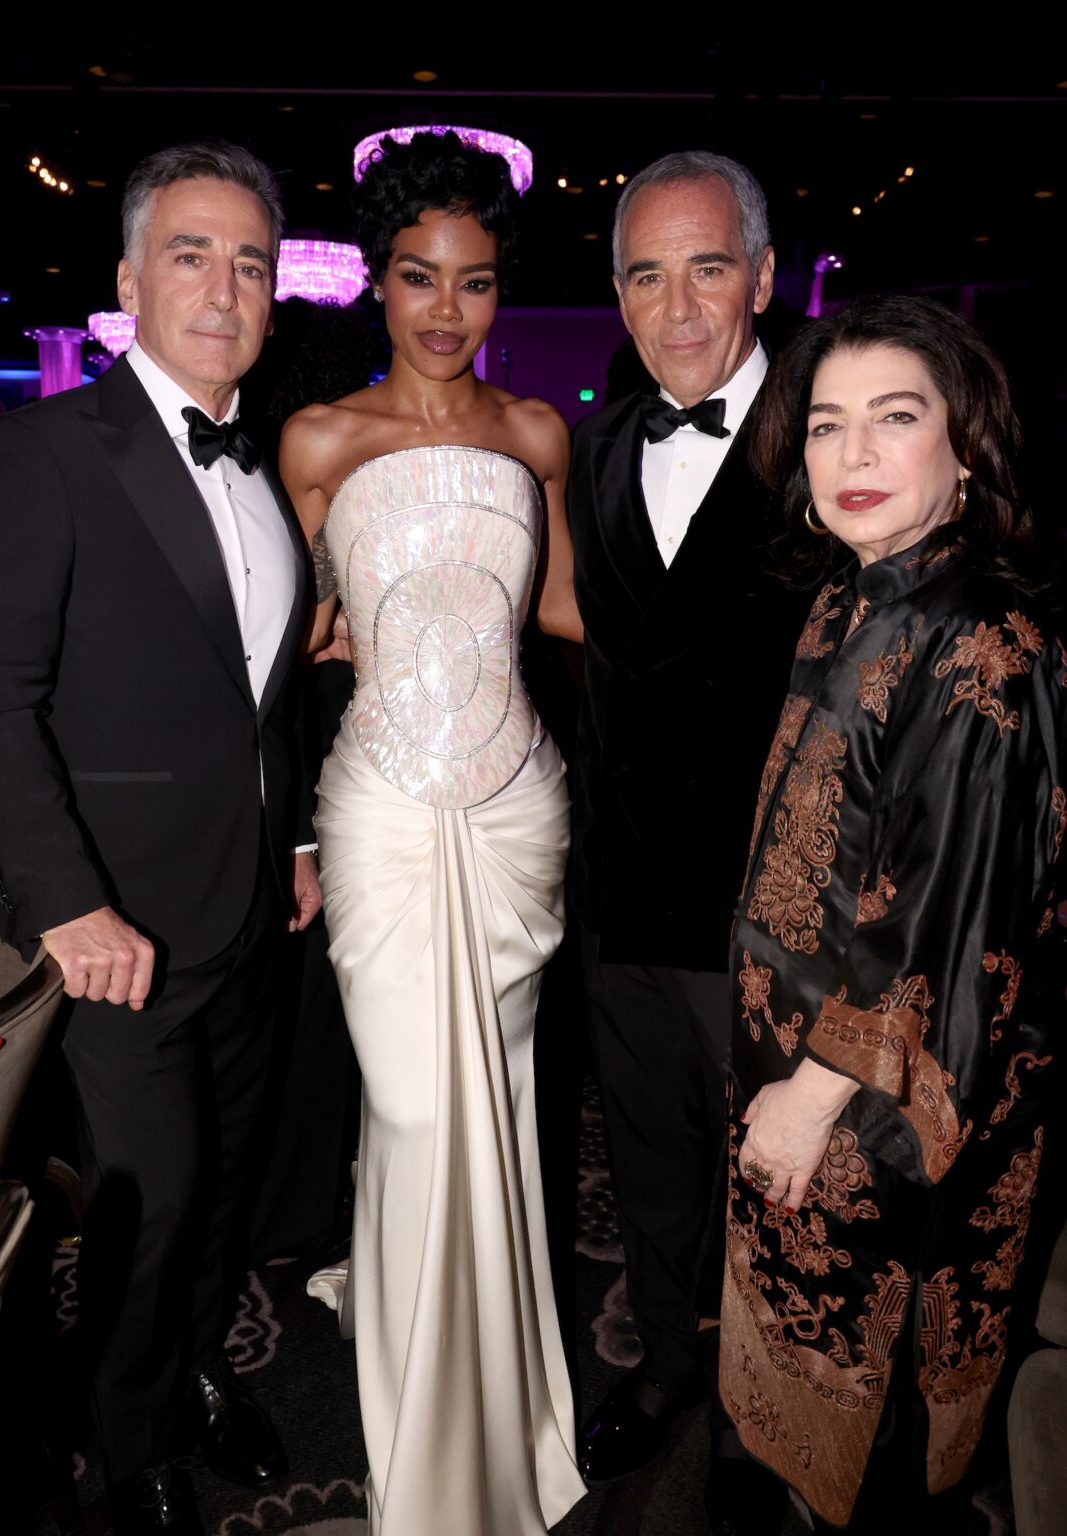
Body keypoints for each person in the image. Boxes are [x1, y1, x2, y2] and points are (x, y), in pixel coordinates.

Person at [0, 141, 321, 1536]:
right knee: (152, 1200)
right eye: (191, 252)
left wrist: (289, 839)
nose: (223, 285)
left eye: (248, 260)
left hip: (243, 909)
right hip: (113, 925)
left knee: (224, 1187)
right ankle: (127, 1447)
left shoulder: (267, 461)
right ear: (127, 280)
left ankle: (181, 1382)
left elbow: (261, 695)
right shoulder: (42, 452)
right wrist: (66, 906)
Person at [280, 130, 587, 1536]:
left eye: (471, 283)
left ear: (496, 290)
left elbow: (571, 616)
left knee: (501, 1111)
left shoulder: (537, 438)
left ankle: (508, 1405)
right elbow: (296, 644)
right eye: (418, 278)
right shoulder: (320, 441)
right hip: (383, 815)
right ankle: (419, 1453)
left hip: (517, 808)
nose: (444, 311)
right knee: (410, 1107)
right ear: (380, 286)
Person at [725, 295, 1065, 1533]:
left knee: (880, 1446)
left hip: (887, 1107)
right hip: (805, 1069)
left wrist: (811, 1098)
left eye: (893, 418)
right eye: (825, 424)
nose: (852, 455)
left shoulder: (982, 645)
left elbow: (946, 926)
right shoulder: (849, 594)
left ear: (963, 446)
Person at [567, 150, 806, 1492]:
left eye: (706, 268)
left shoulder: (832, 441)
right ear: (615, 290)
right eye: (646, 275)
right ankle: (665, 1367)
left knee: (785, 1194)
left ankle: (774, 1425)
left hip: (776, 910)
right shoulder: (599, 443)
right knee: (652, 1171)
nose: (676, 308)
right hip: (627, 897)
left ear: (761, 277)